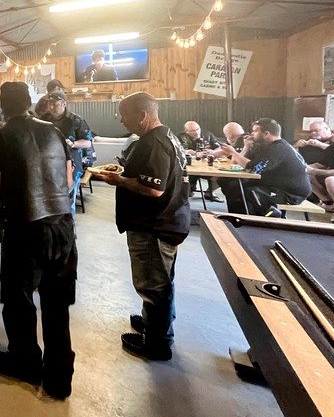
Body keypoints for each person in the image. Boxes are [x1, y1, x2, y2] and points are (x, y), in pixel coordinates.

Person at [0, 81, 78, 400]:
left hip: (24, 228)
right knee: (56, 302)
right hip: (62, 227)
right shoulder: (54, 130)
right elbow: (64, 179)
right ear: (30, 102)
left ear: (2, 104)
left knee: (19, 300)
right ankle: (60, 377)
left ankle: (25, 362)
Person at [96, 92, 190, 361]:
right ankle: (153, 323)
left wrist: (119, 180)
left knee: (154, 285)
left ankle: (158, 344)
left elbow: (153, 189)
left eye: (124, 116)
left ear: (142, 115)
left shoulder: (154, 142)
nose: (122, 122)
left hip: (154, 225)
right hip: (168, 219)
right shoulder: (168, 136)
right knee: (161, 278)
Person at [219, 118, 311, 217]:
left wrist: (233, 152)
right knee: (226, 180)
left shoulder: (278, 148)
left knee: (243, 190)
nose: (252, 133)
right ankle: (240, 217)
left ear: (266, 134)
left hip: (291, 192)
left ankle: (265, 216)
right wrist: (246, 147)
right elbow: (241, 163)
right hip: (274, 184)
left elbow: (253, 168)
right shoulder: (266, 146)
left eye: (255, 131)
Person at [40, 91, 93, 216]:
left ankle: (68, 229)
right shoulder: (42, 119)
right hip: (47, 165)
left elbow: (87, 142)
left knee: (68, 201)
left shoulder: (76, 120)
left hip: (71, 166)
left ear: (64, 103)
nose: (51, 107)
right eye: (49, 104)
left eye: (55, 104)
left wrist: (73, 144)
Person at [306, 125, 334, 224]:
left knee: (332, 180)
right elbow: (320, 165)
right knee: (304, 174)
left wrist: (314, 171)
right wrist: (303, 168)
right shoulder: (333, 149)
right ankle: (328, 203)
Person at [178, 120, 222, 202]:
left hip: (207, 165)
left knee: (222, 177)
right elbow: (177, 150)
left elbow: (219, 147)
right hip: (190, 166)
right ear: (186, 131)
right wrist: (188, 152)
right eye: (192, 131)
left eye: (198, 129)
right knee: (185, 193)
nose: (196, 132)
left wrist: (213, 152)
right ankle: (190, 188)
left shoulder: (208, 135)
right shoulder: (180, 137)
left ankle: (209, 192)